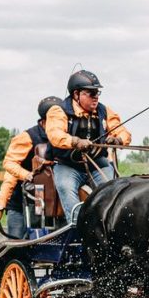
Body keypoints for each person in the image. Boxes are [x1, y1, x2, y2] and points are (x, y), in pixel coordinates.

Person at [45, 70, 131, 222]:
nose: (96, 96)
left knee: (113, 190)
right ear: (76, 94)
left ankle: (109, 226)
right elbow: (55, 134)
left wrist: (118, 140)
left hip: (97, 163)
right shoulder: (58, 111)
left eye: (97, 92)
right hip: (68, 165)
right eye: (91, 93)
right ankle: (77, 227)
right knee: (66, 187)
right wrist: (75, 141)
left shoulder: (104, 111)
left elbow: (123, 132)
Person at [0, 97, 61, 239]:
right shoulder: (28, 137)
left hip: (44, 202)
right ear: (45, 120)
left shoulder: (60, 138)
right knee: (16, 242)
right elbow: (10, 170)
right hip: (19, 203)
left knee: (43, 241)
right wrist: (0, 205)